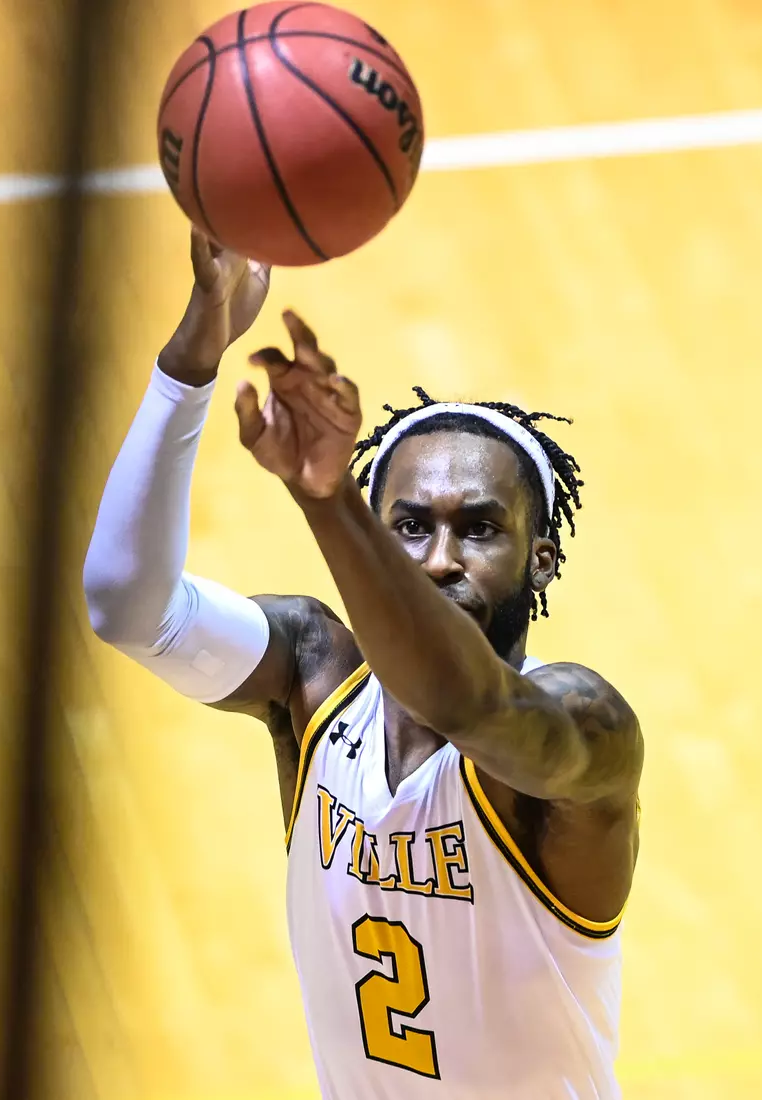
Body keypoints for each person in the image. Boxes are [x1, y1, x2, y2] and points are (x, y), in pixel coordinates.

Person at [82, 229, 644, 1099]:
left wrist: (329, 497)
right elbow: (126, 606)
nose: (440, 559)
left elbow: (464, 704)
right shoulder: (314, 682)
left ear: (540, 559)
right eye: (409, 527)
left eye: (479, 528)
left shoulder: (584, 729)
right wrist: (192, 358)